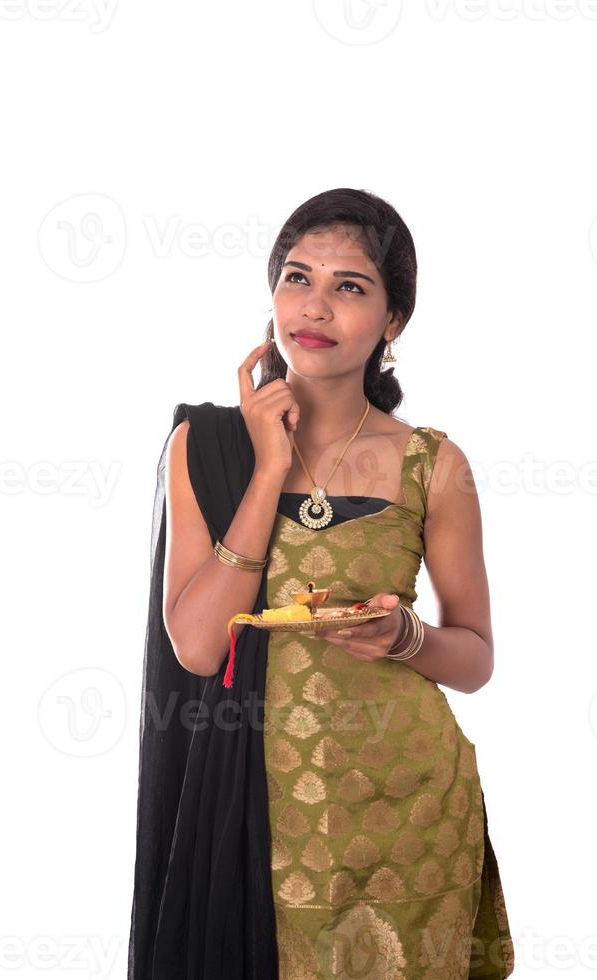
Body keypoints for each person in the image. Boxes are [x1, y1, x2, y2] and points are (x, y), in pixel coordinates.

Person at [128, 188, 515, 979]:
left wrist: (406, 636)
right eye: (297, 278)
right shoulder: (205, 444)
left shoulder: (433, 465)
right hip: (260, 817)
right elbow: (199, 649)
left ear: (392, 322)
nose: (315, 306)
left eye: (350, 287)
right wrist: (269, 469)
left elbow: (475, 660)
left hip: (411, 807)